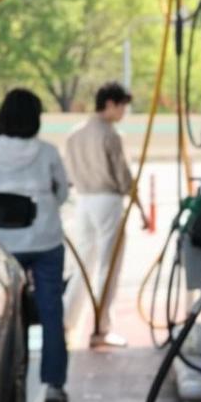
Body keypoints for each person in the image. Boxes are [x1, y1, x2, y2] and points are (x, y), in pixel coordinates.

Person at [0, 89, 70, 402]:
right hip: (46, 239)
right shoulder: (47, 153)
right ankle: (55, 385)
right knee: (51, 311)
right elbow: (62, 192)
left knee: (3, 316)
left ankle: (2, 386)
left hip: (4, 243)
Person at [63, 82, 134, 348]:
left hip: (83, 201)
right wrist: (135, 200)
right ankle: (101, 328)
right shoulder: (110, 135)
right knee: (108, 266)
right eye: (122, 106)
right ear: (111, 103)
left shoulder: (74, 134)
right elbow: (122, 175)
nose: (124, 112)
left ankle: (67, 320)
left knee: (83, 263)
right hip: (108, 201)